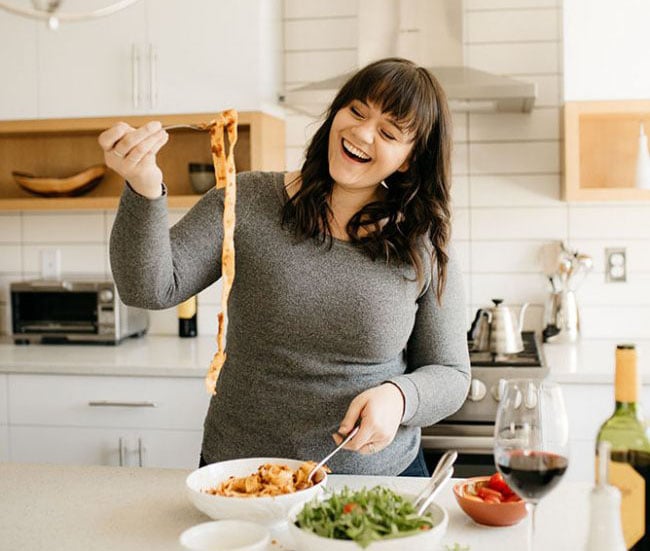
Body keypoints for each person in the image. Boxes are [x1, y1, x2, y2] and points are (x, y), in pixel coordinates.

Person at [99, 57, 470, 477]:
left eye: (388, 133)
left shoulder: (423, 242)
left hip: (374, 484)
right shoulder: (248, 200)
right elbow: (148, 288)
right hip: (243, 475)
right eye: (357, 111)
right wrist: (143, 185)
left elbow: (451, 374)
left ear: (408, 159)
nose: (362, 133)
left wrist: (400, 397)